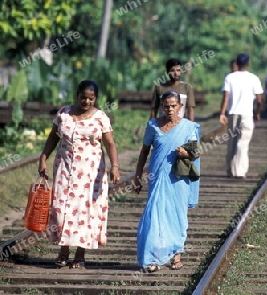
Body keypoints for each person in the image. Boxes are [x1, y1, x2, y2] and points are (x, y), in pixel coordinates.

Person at [38, 80, 120, 269]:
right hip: (64, 169)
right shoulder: (64, 113)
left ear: (95, 99)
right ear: (77, 95)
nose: (87, 101)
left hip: (90, 174)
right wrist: (43, 158)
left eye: (91, 98)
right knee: (61, 209)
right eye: (83, 97)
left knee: (85, 213)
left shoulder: (101, 118)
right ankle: (63, 251)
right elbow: (53, 137)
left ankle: (79, 255)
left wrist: (114, 166)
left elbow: (110, 144)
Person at [134, 90, 201, 273]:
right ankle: (152, 257)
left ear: (180, 106)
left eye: (173, 106)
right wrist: (137, 175)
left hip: (179, 178)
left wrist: (185, 153)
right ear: (161, 107)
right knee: (155, 214)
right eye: (166, 106)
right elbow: (144, 151)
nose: (170, 109)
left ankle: (176, 255)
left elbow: (197, 151)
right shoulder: (153, 126)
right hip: (157, 176)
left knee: (177, 214)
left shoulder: (188, 127)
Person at [219, 53, 263, 179]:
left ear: (236, 64)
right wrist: (257, 113)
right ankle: (240, 172)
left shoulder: (230, 77)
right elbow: (259, 100)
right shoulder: (254, 78)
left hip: (233, 113)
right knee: (243, 143)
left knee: (232, 142)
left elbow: (226, 97)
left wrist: (222, 113)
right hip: (247, 114)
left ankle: (230, 170)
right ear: (248, 64)